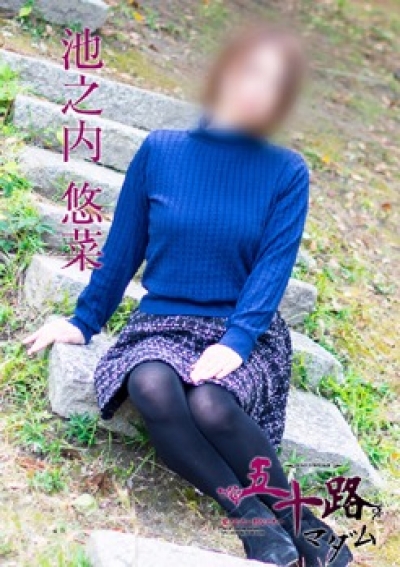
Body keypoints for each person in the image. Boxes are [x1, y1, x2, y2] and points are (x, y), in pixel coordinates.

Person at [24, 24, 353, 567]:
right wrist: (83, 321)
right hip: (163, 323)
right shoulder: (161, 151)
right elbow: (123, 248)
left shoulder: (286, 172)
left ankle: (305, 527)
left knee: (211, 404)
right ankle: (252, 522)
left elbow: (273, 269)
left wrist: (236, 342)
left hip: (243, 329)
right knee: (152, 385)